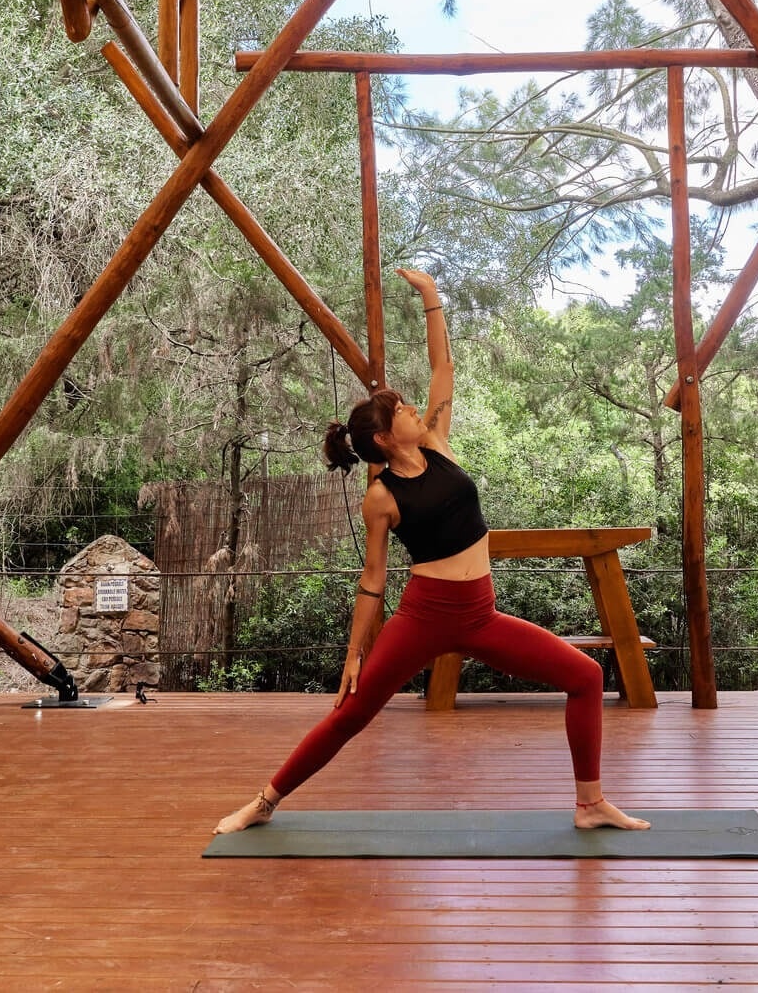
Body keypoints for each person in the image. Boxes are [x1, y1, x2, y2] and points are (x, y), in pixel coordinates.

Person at [215, 267, 648, 834]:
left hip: (480, 613)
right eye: (403, 412)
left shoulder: (438, 444)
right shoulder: (381, 497)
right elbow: (373, 579)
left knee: (585, 677)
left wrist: (431, 297)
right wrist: (354, 653)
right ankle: (265, 801)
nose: (415, 411)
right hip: (424, 616)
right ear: (383, 438)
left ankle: (590, 805)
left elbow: (444, 367)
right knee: (352, 714)